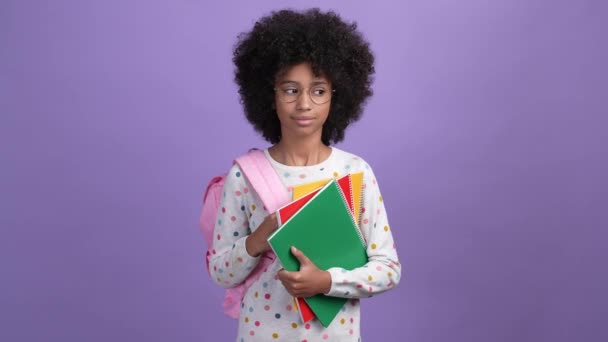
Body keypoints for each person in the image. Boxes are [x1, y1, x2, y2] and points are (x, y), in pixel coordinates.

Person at [209, 8, 401, 341]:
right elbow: (221, 273)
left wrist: (327, 282)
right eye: (290, 90)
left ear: (336, 96)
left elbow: (388, 269)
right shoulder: (244, 175)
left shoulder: (356, 172)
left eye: (318, 90)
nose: (304, 105)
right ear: (269, 96)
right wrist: (258, 239)